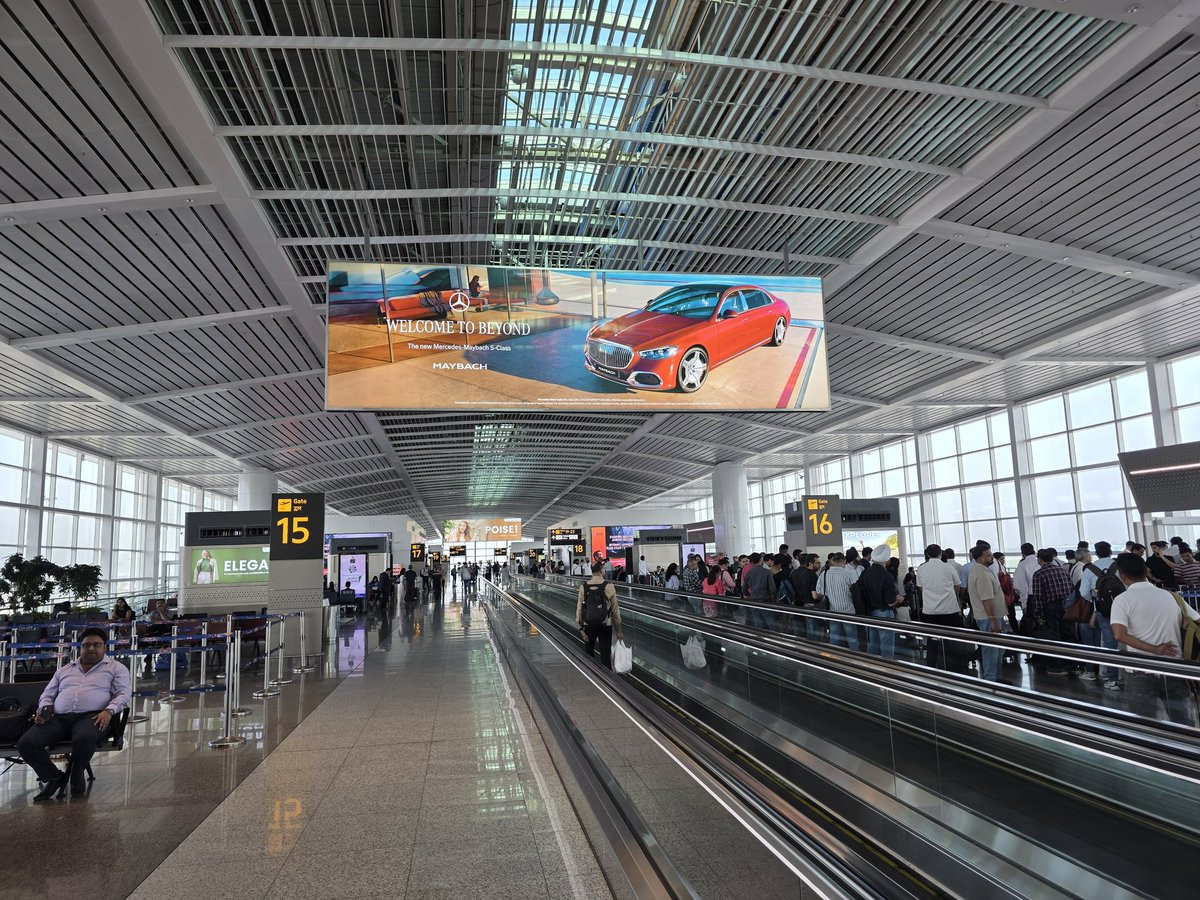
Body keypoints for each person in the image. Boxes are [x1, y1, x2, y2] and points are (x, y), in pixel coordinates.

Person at [18, 626, 131, 800]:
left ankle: (76, 775)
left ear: (105, 647)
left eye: (96, 645)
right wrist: (45, 708)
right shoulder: (65, 670)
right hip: (58, 718)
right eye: (86, 645)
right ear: (80, 647)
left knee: (83, 737)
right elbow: (47, 694)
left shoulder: (116, 668)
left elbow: (123, 694)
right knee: (26, 743)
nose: (91, 648)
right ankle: (54, 777)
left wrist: (109, 711)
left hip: (93, 717)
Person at [1109, 553, 1199, 725]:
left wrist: (1155, 649)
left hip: (1140, 671)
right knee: (1182, 722)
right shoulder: (1171, 596)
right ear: (1146, 571)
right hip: (1174, 667)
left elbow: (1119, 635)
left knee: (1145, 724)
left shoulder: (1122, 600)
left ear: (1122, 575)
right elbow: (1196, 621)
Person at [916, 543, 967, 671]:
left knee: (932, 640)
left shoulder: (921, 569)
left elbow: (920, 587)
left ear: (927, 554)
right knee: (952, 640)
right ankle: (955, 667)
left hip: (930, 611)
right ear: (940, 554)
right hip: (949, 609)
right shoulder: (948, 567)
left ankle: (932, 667)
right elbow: (957, 586)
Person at [967, 545, 1008, 682]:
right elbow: (986, 599)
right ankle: (991, 680)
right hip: (988, 618)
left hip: (991, 617)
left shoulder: (983, 570)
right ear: (980, 557)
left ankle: (997, 677)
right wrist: (993, 620)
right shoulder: (981, 573)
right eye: (988, 555)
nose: (992, 557)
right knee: (991, 651)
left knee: (997, 650)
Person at [1029, 548, 1073, 675]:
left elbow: (1038, 597)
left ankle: (1057, 666)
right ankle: (1071, 663)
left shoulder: (1039, 574)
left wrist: (1038, 614)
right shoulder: (1062, 570)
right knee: (1067, 634)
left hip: (1050, 607)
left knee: (1053, 636)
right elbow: (1070, 588)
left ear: (1039, 560)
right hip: (1066, 605)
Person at [576, 559, 624, 669]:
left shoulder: (584, 587)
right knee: (606, 656)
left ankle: (591, 675)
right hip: (605, 625)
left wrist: (581, 628)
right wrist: (619, 630)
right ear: (601, 571)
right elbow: (615, 611)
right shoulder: (609, 586)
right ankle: (607, 678)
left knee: (588, 654)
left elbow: (579, 609)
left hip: (588, 625)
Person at [860, 544, 902, 659]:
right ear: (887, 560)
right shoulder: (887, 576)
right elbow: (890, 602)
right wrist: (897, 599)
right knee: (886, 647)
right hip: (885, 613)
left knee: (873, 645)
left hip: (870, 613)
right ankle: (887, 667)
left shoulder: (866, 573)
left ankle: (870, 666)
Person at [816, 553, 859, 651]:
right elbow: (856, 591)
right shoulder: (848, 574)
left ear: (832, 561)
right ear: (844, 561)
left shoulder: (824, 574)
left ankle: (834, 657)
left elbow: (819, 591)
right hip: (848, 612)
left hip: (832, 611)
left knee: (834, 639)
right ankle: (855, 658)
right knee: (852, 640)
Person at [742, 552, 774, 631]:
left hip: (754, 601)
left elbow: (744, 589)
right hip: (766, 601)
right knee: (771, 624)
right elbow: (772, 589)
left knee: (758, 625)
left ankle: (760, 638)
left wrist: (749, 594)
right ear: (761, 560)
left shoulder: (749, 572)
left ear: (751, 561)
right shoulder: (767, 572)